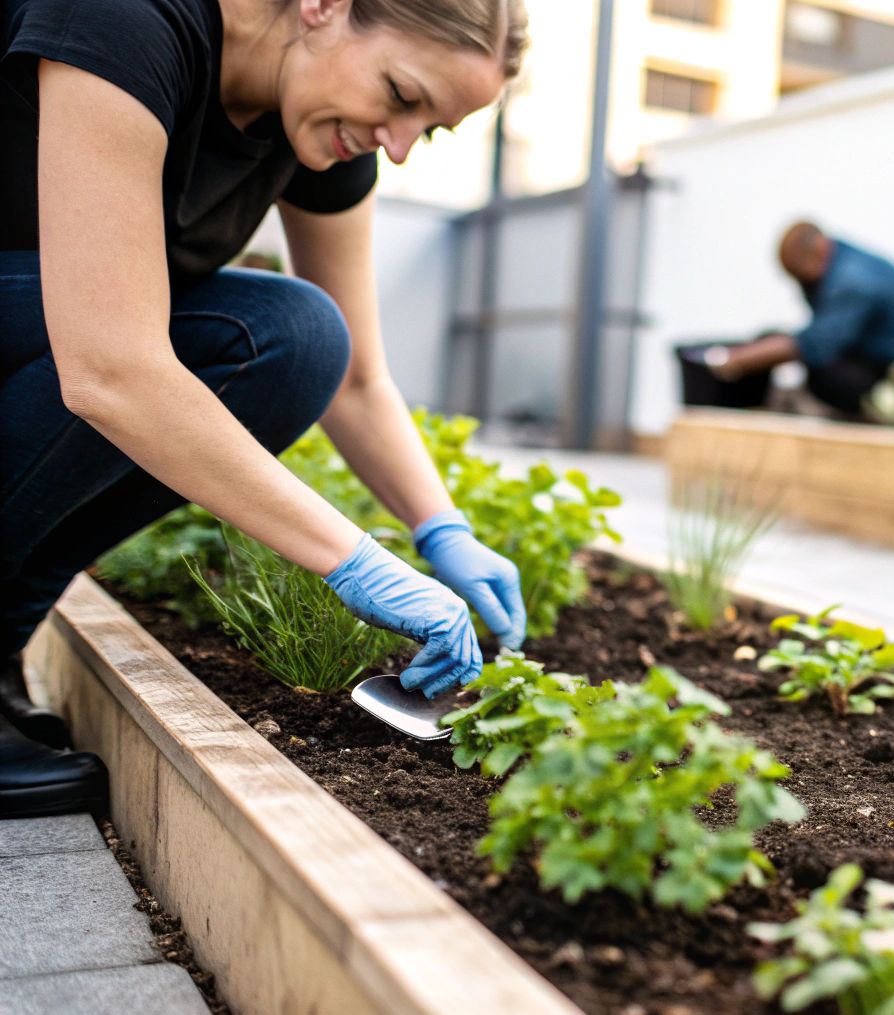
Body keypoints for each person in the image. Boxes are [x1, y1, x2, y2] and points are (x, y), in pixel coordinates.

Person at [0, 0, 529, 819]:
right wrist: (354, 561)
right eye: (401, 93)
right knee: (200, 338)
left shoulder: (320, 124)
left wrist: (441, 530)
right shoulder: (127, 21)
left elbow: (355, 379)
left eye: (431, 128)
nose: (398, 143)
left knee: (299, 340)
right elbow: (110, 366)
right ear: (324, 6)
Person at [701, 221, 894, 416]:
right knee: (770, 340)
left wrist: (733, 359)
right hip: (888, 361)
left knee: (822, 372)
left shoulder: (853, 281)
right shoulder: (842, 260)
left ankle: (879, 415)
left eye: (806, 278)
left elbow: (816, 344)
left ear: (819, 249)